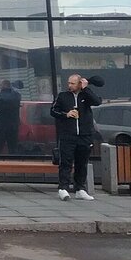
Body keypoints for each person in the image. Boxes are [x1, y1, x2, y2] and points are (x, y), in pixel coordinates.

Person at [50, 73, 102, 201]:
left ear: (79, 84)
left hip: (84, 135)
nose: (70, 85)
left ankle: (80, 188)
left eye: (73, 83)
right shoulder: (63, 96)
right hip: (68, 135)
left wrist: (86, 89)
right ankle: (63, 188)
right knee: (66, 162)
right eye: (69, 83)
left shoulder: (86, 95)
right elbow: (53, 111)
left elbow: (97, 102)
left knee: (82, 162)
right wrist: (66, 114)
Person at [0, 79, 21, 154]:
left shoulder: (0, 95)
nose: (0, 87)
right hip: (13, 125)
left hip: (1, 125)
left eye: (0, 85)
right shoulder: (17, 95)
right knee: (13, 147)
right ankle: (13, 159)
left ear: (4, 85)